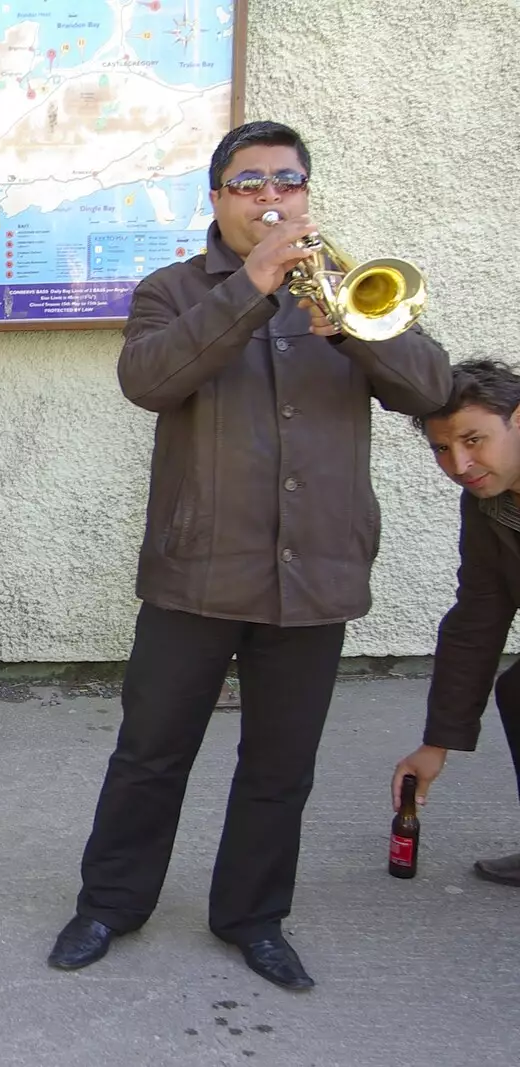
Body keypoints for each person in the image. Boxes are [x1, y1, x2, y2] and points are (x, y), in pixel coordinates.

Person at [46, 121, 451, 989]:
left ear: (307, 192)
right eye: (249, 182)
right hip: (197, 568)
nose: (271, 197)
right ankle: (110, 902)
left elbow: (431, 389)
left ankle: (253, 916)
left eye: (287, 181)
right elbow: (148, 381)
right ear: (218, 196)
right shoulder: (170, 290)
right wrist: (253, 288)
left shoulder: (350, 292)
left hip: (318, 573)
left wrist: (349, 328)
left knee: (280, 765)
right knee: (151, 751)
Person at [393, 359, 520, 888]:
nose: (460, 463)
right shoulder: (486, 506)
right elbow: (476, 622)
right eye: (443, 448)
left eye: (474, 439)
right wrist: (436, 743)